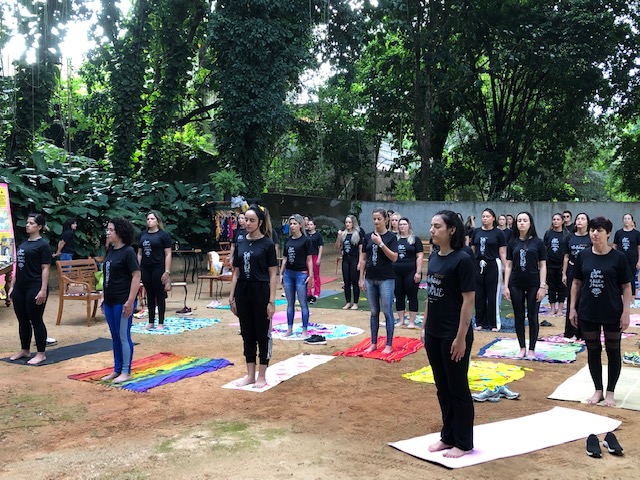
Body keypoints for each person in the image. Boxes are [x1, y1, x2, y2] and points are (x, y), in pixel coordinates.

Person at [422, 210, 475, 458]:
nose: (432, 230)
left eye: (437, 226)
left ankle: (463, 442)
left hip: (454, 334)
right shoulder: (434, 257)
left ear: (451, 230)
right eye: (431, 226)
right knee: (442, 387)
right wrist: (424, 326)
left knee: (457, 388)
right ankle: (448, 436)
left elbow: (468, 301)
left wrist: (461, 337)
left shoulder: (463, 260)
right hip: (433, 332)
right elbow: (430, 295)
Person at [570, 216, 632, 407]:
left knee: (613, 351)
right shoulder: (583, 256)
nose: (594, 234)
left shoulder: (618, 257)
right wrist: (572, 308)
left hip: (612, 310)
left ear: (608, 233)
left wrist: (626, 312)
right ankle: (598, 390)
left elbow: (627, 287)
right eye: (592, 230)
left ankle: (610, 392)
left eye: (599, 230)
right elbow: (576, 283)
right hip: (588, 310)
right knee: (593, 350)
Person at [229, 205, 278, 388]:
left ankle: (262, 375)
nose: (247, 223)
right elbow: (237, 272)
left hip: (261, 291)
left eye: (251, 220)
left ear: (260, 222)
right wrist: (232, 296)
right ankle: (250, 374)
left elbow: (273, 274)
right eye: (246, 220)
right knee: (247, 333)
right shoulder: (241, 242)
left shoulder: (267, 244)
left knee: (262, 334)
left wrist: (271, 301)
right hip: (243, 290)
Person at [101, 217, 141, 383]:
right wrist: (103, 297)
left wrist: (130, 301)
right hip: (110, 301)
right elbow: (107, 276)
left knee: (123, 336)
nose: (108, 233)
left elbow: (136, 276)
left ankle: (126, 370)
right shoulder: (111, 251)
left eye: (111, 230)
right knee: (114, 336)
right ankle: (117, 369)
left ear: (120, 232)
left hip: (122, 301)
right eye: (108, 230)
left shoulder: (128, 252)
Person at [8, 213, 52, 365]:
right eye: (27, 223)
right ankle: (25, 349)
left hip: (35, 285)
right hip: (20, 287)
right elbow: (17, 266)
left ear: (39, 227)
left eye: (31, 223)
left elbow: (45, 268)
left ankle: (41, 353)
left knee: (36, 319)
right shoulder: (23, 244)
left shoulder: (43, 245)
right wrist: (12, 286)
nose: (27, 225)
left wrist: (43, 289)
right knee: (22, 320)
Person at [503, 212, 547, 360]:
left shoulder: (538, 243)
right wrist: (505, 285)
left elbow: (543, 265)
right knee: (519, 316)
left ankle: (532, 349)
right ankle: (522, 347)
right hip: (516, 282)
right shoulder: (512, 242)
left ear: (530, 223)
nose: (521, 223)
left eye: (525, 220)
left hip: (534, 283)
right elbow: (508, 265)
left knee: (532, 316)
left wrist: (542, 286)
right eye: (519, 220)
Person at [359, 208, 398, 355]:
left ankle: (388, 343)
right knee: (374, 312)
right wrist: (361, 277)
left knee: (387, 312)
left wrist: (381, 243)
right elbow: (363, 258)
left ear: (385, 220)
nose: (376, 222)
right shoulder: (368, 236)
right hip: (370, 278)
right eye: (374, 219)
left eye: (379, 219)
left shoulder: (391, 237)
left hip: (386, 279)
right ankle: (374, 342)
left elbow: (394, 257)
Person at [471, 208, 507, 332]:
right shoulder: (476, 232)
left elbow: (502, 251)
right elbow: (472, 250)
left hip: (493, 264)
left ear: (493, 218)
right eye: (483, 216)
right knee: (479, 294)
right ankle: (480, 322)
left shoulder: (498, 233)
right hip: (478, 264)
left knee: (492, 294)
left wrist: (505, 267)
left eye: (487, 216)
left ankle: (493, 323)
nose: (485, 218)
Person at [280, 214, 314, 338]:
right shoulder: (287, 240)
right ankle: (289, 328)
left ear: (300, 225)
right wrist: (281, 273)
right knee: (290, 302)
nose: (292, 226)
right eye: (291, 223)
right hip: (289, 273)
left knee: (303, 302)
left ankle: (304, 329)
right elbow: (284, 258)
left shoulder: (306, 240)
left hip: (301, 273)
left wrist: (311, 275)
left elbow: (309, 260)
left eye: (295, 223)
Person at [137, 211, 172, 330]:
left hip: (158, 267)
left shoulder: (163, 235)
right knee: (149, 294)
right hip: (146, 268)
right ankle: (151, 321)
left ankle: (161, 322)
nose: (149, 221)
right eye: (148, 219)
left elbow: (168, 254)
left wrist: (167, 271)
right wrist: (138, 268)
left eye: (152, 219)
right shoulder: (142, 235)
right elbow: (140, 253)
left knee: (159, 294)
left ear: (157, 221)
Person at [562, 212, 591, 340]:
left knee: (584, 301)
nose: (579, 221)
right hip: (572, 270)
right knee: (572, 300)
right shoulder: (569, 237)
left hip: (587, 271)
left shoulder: (591, 237)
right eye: (578, 219)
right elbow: (566, 256)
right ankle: (571, 331)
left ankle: (584, 332)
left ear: (587, 222)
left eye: (582, 219)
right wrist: (564, 273)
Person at [393, 217, 424, 329]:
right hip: (396, 271)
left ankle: (411, 321)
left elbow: (419, 256)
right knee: (399, 295)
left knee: (412, 296)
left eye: (404, 224)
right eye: (400, 224)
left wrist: (418, 272)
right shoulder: (394, 239)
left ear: (409, 225)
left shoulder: (415, 240)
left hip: (411, 271)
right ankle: (401, 320)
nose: (402, 226)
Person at [336, 215, 362, 310]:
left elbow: (360, 249)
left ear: (353, 223)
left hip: (355, 258)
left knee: (354, 281)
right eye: (346, 222)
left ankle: (355, 302)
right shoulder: (344, 234)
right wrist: (339, 237)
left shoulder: (358, 233)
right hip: (346, 259)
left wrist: (360, 262)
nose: (347, 224)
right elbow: (338, 247)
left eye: (349, 222)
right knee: (346, 281)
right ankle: (348, 302)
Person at [543, 213, 567, 317]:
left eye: (558, 219)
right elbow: (544, 248)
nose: (556, 221)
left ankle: (560, 309)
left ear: (562, 221)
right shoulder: (548, 233)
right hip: (550, 264)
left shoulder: (567, 234)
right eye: (554, 219)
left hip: (562, 265)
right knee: (551, 287)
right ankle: (552, 308)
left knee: (562, 287)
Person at [613, 213, 640, 299]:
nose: (626, 220)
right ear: (623, 221)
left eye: (628, 218)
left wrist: (639, 261)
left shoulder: (637, 233)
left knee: (631, 278)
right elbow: (615, 246)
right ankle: (620, 296)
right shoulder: (618, 233)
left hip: (633, 259)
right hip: (620, 259)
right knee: (620, 276)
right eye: (625, 218)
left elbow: (639, 248)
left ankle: (631, 297)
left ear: (632, 221)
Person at [306, 218, 324, 303]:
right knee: (307, 275)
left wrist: (319, 257)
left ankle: (317, 292)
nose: (309, 226)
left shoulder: (318, 235)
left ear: (314, 226)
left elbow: (321, 246)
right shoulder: (305, 235)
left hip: (315, 256)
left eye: (311, 225)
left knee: (316, 275)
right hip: (307, 257)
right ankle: (308, 292)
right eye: (308, 225)